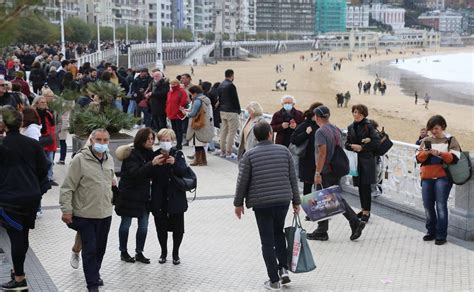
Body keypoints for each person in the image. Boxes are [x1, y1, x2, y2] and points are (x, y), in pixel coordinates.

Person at [234, 121, 301, 290]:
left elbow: (242, 181)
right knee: (279, 233)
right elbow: (293, 178)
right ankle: (283, 270)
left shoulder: (249, 155)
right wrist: (296, 201)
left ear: (255, 137)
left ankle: (274, 280)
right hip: (282, 201)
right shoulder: (284, 151)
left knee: (267, 241)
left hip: (261, 203)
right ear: (271, 134)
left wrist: (238, 203)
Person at [0, 106, 49, 291]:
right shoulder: (32, 144)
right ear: (20, 122)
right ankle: (17, 271)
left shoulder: (2, 145)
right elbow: (43, 170)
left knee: (16, 237)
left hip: (9, 200)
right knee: (23, 234)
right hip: (31, 198)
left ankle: (19, 278)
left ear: (3, 123)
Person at [60, 128, 115, 292]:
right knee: (90, 249)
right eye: (98, 140)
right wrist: (66, 210)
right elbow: (67, 187)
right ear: (91, 141)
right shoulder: (79, 160)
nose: (102, 143)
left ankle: (94, 273)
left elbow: (111, 180)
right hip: (85, 214)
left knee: (100, 249)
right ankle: (92, 284)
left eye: (105, 140)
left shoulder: (109, 158)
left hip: (105, 213)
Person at [306, 105, 366, 241]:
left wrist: (317, 173)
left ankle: (327, 229)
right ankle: (347, 224)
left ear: (317, 117)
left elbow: (322, 153)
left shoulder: (320, 132)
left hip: (326, 170)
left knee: (323, 198)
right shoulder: (336, 129)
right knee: (333, 198)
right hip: (337, 168)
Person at [116, 128, 160, 264]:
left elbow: (152, 174)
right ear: (141, 139)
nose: (151, 141)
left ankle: (139, 252)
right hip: (129, 195)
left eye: (152, 139)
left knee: (143, 226)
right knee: (126, 224)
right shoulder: (131, 154)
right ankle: (123, 251)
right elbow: (135, 173)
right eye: (148, 139)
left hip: (144, 195)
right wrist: (151, 164)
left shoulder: (151, 153)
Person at [416, 115, 460, 245]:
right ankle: (431, 232)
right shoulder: (426, 140)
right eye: (431, 129)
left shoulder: (450, 140)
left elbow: (455, 158)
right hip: (427, 177)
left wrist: (440, 153)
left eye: (436, 128)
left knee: (441, 206)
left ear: (443, 127)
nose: (433, 131)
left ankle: (441, 235)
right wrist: (427, 153)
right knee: (428, 205)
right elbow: (418, 158)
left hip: (443, 177)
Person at [151, 128, 188, 265]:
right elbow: (149, 174)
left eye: (168, 140)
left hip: (175, 197)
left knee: (178, 228)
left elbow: (183, 171)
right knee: (161, 227)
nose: (165, 143)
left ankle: (175, 253)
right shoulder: (154, 155)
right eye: (163, 140)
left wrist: (175, 163)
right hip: (159, 197)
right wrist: (154, 164)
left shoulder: (178, 154)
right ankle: (163, 252)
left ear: (172, 141)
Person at [345, 104, 380, 222]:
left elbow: (376, 142)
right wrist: (351, 146)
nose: (356, 114)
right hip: (355, 161)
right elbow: (346, 144)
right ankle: (363, 208)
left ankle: (366, 212)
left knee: (366, 186)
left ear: (364, 114)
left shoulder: (368, 126)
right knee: (360, 186)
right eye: (354, 112)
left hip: (367, 160)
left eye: (359, 112)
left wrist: (362, 147)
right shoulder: (350, 127)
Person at [290, 102, 322, 195]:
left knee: (320, 188)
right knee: (307, 189)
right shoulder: (306, 124)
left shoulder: (322, 125)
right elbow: (294, 139)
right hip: (307, 161)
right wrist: (306, 134)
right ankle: (308, 209)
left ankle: (319, 209)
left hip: (320, 160)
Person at [182, 85, 214, 166]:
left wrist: (186, 113)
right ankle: (203, 160)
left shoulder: (197, 101)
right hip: (204, 123)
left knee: (197, 144)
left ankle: (198, 161)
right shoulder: (205, 99)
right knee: (200, 144)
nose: (191, 96)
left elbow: (192, 114)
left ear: (195, 93)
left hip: (197, 124)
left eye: (191, 94)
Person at [32, 95, 58, 186]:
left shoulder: (49, 113)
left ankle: (49, 178)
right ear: (37, 103)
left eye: (45, 102)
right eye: (41, 102)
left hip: (49, 139)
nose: (44, 104)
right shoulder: (34, 114)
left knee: (50, 160)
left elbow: (52, 126)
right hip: (39, 139)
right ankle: (41, 178)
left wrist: (53, 138)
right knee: (41, 160)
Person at [217, 69, 241, 159]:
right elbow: (235, 99)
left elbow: (219, 99)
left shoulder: (221, 85)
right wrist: (238, 110)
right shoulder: (231, 86)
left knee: (223, 132)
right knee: (232, 133)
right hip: (231, 111)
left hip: (222, 110)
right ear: (232, 75)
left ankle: (222, 151)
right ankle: (228, 152)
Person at [166, 79, 189, 150]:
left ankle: (179, 144)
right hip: (171, 113)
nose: (171, 85)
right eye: (171, 84)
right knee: (174, 129)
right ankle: (177, 143)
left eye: (173, 84)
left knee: (179, 130)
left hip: (178, 114)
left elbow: (183, 102)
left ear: (177, 84)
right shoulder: (170, 92)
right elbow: (168, 102)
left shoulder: (181, 91)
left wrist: (178, 110)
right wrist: (167, 111)